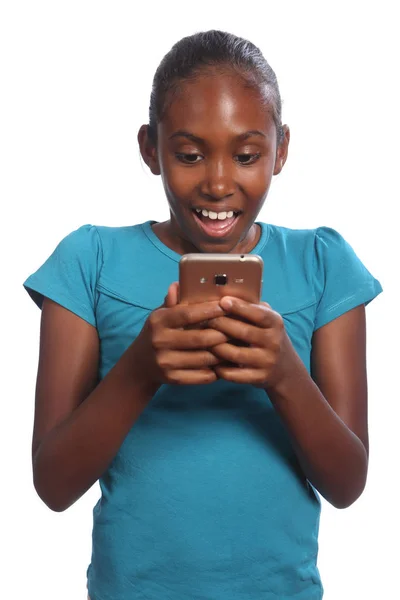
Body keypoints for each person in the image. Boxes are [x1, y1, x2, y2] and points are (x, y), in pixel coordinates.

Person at [23, 30, 382, 600]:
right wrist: (141, 370)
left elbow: (347, 483)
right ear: (150, 148)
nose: (218, 183)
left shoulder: (323, 263)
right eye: (189, 155)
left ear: (281, 149)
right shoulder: (88, 261)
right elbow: (54, 484)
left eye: (246, 155)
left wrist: (284, 374)